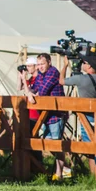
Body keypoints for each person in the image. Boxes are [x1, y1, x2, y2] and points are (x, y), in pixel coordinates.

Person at [29, 53, 66, 181]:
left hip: (56, 114)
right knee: (48, 143)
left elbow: (43, 91)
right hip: (46, 114)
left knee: (55, 143)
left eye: (42, 64)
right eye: (38, 64)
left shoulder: (52, 73)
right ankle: (65, 168)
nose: (40, 67)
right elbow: (34, 88)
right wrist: (30, 93)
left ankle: (59, 174)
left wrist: (31, 94)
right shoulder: (41, 74)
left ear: (49, 62)